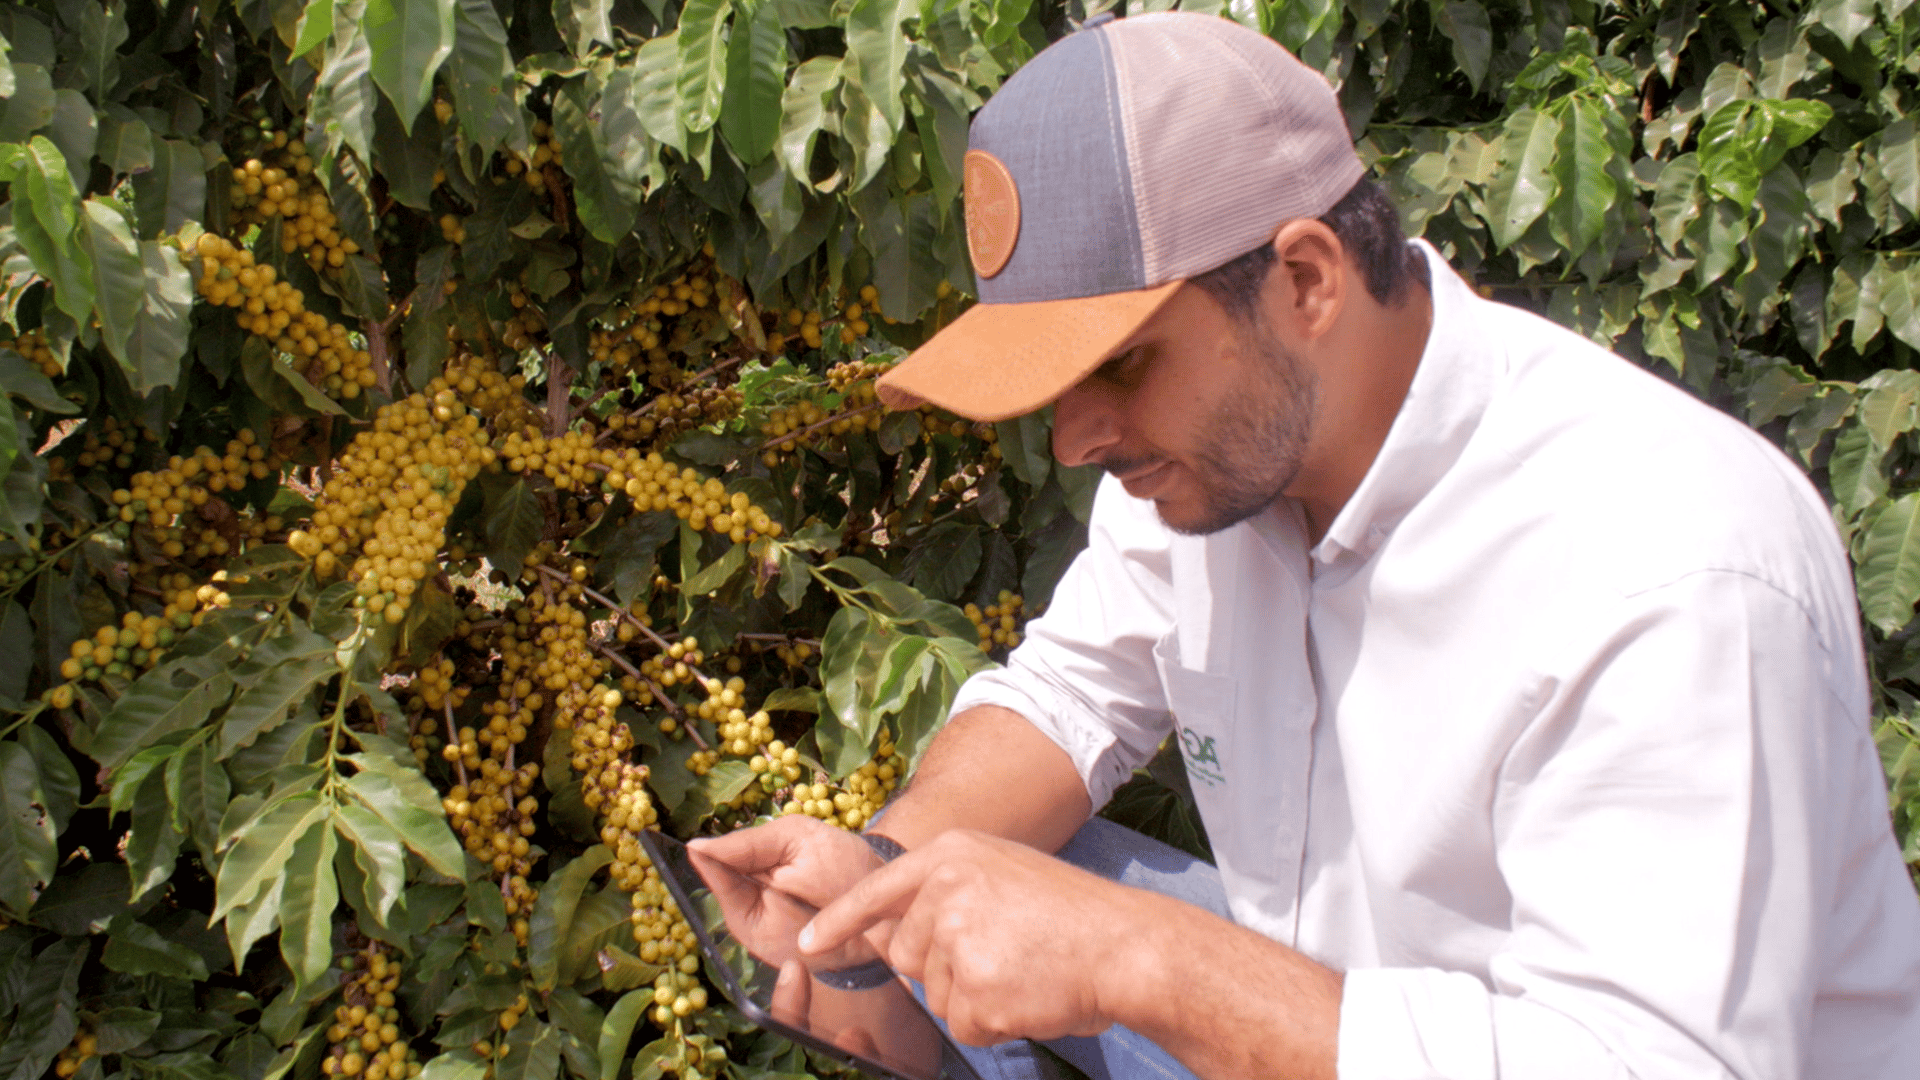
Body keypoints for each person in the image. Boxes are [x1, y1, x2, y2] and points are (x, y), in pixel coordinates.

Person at [694, 11, 1920, 1079]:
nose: (1073, 439)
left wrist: (1144, 960)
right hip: (1340, 1023)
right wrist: (885, 875)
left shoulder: (1668, 570)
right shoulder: (1206, 476)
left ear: (1307, 279)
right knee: (985, 866)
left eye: (1118, 362)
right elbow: (1065, 698)